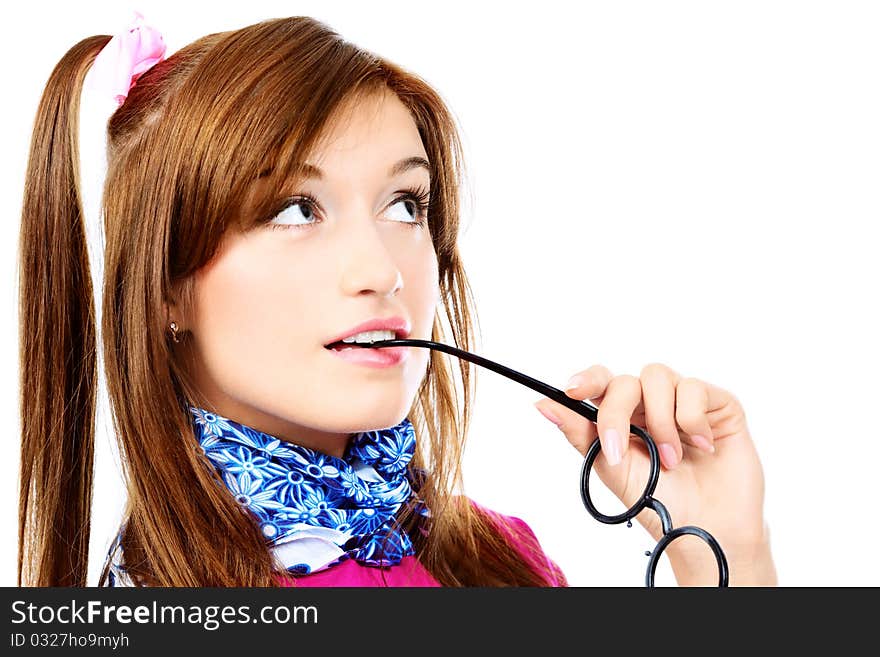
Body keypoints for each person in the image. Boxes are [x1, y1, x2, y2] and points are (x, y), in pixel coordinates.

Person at [17, 13, 776, 587]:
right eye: (294, 210)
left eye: (406, 204)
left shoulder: (503, 560)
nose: (382, 269)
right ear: (163, 289)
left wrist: (725, 550)